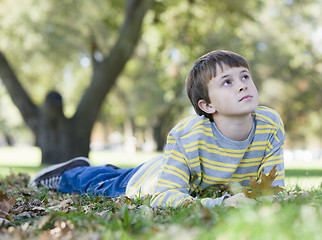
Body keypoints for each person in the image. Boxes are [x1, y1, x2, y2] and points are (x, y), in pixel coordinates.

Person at [30, 50, 285, 208]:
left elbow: (273, 188)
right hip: (154, 179)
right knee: (104, 183)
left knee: (115, 173)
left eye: (244, 76)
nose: (242, 85)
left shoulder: (270, 125)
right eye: (227, 82)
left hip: (187, 176)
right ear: (206, 105)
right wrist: (221, 204)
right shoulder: (187, 136)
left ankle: (96, 169)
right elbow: (164, 196)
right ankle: (70, 172)